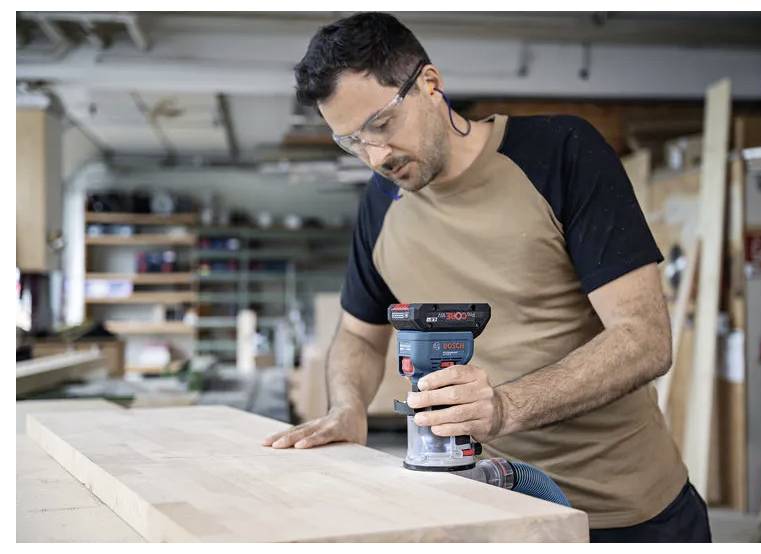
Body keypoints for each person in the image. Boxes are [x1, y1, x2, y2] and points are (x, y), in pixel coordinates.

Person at [262, 12, 711, 542]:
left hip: (630, 516)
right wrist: (347, 407)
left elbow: (645, 339)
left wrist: (502, 408)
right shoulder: (380, 204)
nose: (374, 156)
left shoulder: (560, 152)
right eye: (351, 142)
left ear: (430, 85)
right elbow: (359, 334)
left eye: (381, 125)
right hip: (495, 506)